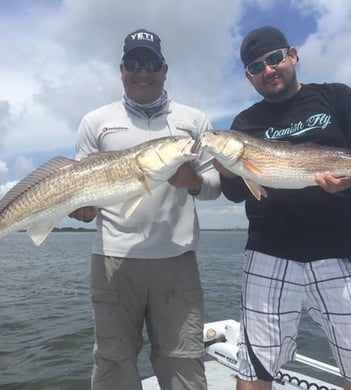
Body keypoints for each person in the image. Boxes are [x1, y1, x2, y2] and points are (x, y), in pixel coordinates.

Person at [215, 26, 351, 390]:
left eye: (274, 58)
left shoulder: (338, 98)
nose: (268, 70)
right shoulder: (244, 124)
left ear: (292, 55)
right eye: (255, 67)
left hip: (339, 251)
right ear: (248, 77)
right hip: (268, 254)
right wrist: (224, 166)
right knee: (253, 369)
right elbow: (235, 195)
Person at [69, 28, 220, 390]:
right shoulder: (95, 121)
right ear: (121, 70)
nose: (143, 71)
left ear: (164, 69)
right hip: (112, 259)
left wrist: (194, 182)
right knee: (112, 362)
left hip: (177, 259)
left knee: (183, 362)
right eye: (134, 63)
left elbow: (215, 186)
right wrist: (82, 207)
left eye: (151, 63)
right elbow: (77, 184)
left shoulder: (194, 121)